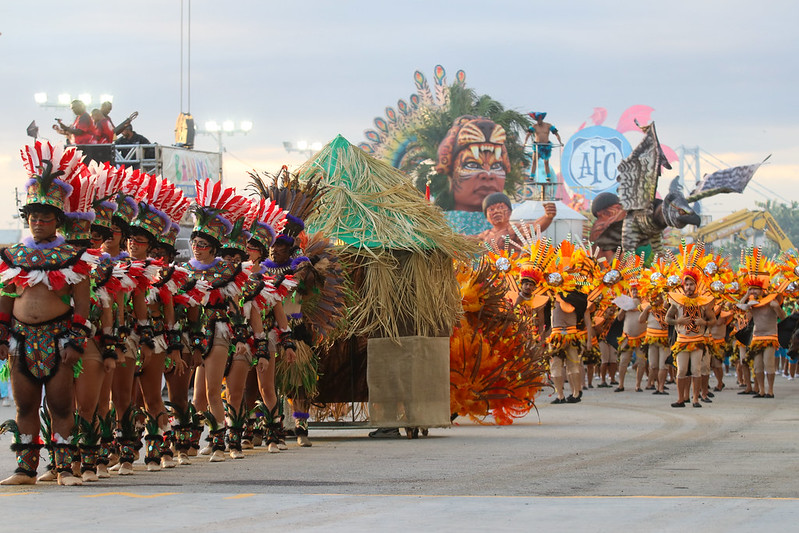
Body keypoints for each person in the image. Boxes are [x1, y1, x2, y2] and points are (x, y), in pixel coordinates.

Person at [0, 142, 99, 486]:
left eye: (45, 217)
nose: (38, 222)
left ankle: (63, 467)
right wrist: (2, 335)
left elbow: (83, 306)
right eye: (33, 217)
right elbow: (6, 296)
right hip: (21, 339)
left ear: (57, 220)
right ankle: (25, 468)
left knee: (59, 405)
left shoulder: (76, 257)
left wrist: (75, 340)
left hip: (58, 339)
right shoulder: (12, 254)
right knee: (25, 405)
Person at [665, 269, 714, 408]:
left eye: (691, 284)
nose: (689, 287)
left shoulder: (703, 302)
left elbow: (713, 320)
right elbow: (667, 319)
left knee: (696, 370)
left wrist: (704, 323)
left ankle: (696, 399)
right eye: (686, 285)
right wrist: (678, 321)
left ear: (696, 285)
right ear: (683, 286)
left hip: (698, 341)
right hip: (682, 341)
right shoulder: (676, 302)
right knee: (681, 370)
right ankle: (681, 399)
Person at [741, 279, 785, 398]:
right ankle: (761, 390)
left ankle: (770, 391)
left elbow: (783, 316)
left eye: (756, 289)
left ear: (762, 290)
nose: (753, 291)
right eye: (752, 289)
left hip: (770, 336)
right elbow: (741, 308)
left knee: (769, 363)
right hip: (756, 337)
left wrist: (776, 307)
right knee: (757, 366)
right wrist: (746, 294)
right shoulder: (752, 303)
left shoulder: (772, 301)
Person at [477, 192, 556, 249]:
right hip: (488, 271)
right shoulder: (484, 235)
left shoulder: (514, 230)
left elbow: (534, 227)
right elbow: (467, 241)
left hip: (510, 271)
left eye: (501, 207)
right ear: (486, 217)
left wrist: (547, 217)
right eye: (491, 209)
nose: (496, 211)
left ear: (510, 212)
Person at [524, 112, 563, 177]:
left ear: (541, 119)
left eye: (539, 120)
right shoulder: (534, 126)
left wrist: (560, 142)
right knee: (534, 160)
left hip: (546, 146)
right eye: (537, 120)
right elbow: (528, 134)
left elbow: (556, 134)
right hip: (537, 145)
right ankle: (532, 176)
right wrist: (525, 142)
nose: (538, 122)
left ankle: (548, 176)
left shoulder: (548, 125)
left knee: (546, 162)